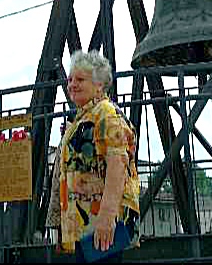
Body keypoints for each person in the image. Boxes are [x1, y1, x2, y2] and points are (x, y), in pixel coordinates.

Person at [47, 50, 140, 263]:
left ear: (99, 84)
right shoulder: (85, 117)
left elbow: (118, 163)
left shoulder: (105, 114)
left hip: (100, 224)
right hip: (84, 223)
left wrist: (107, 217)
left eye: (80, 79)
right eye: (70, 79)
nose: (72, 84)